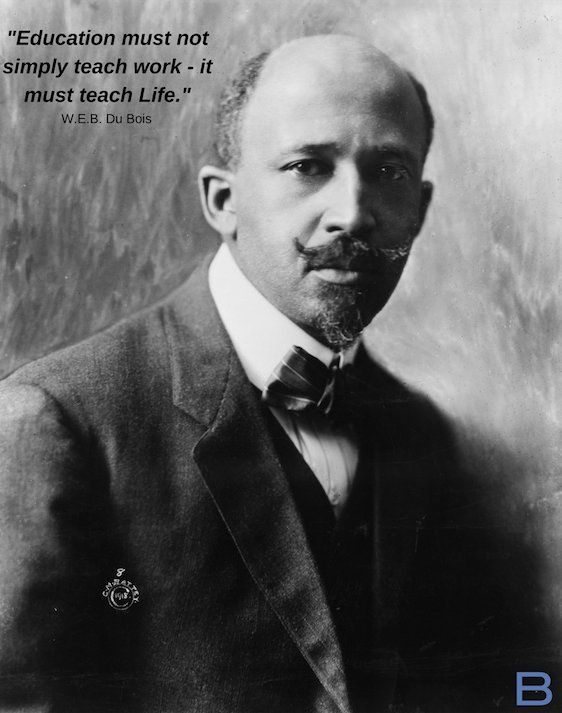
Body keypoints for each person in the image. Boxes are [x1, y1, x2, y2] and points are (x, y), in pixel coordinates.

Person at [0, 35, 543, 713]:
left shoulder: (420, 431)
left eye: (390, 172)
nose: (353, 212)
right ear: (223, 201)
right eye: (308, 166)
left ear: (422, 211)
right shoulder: (55, 422)